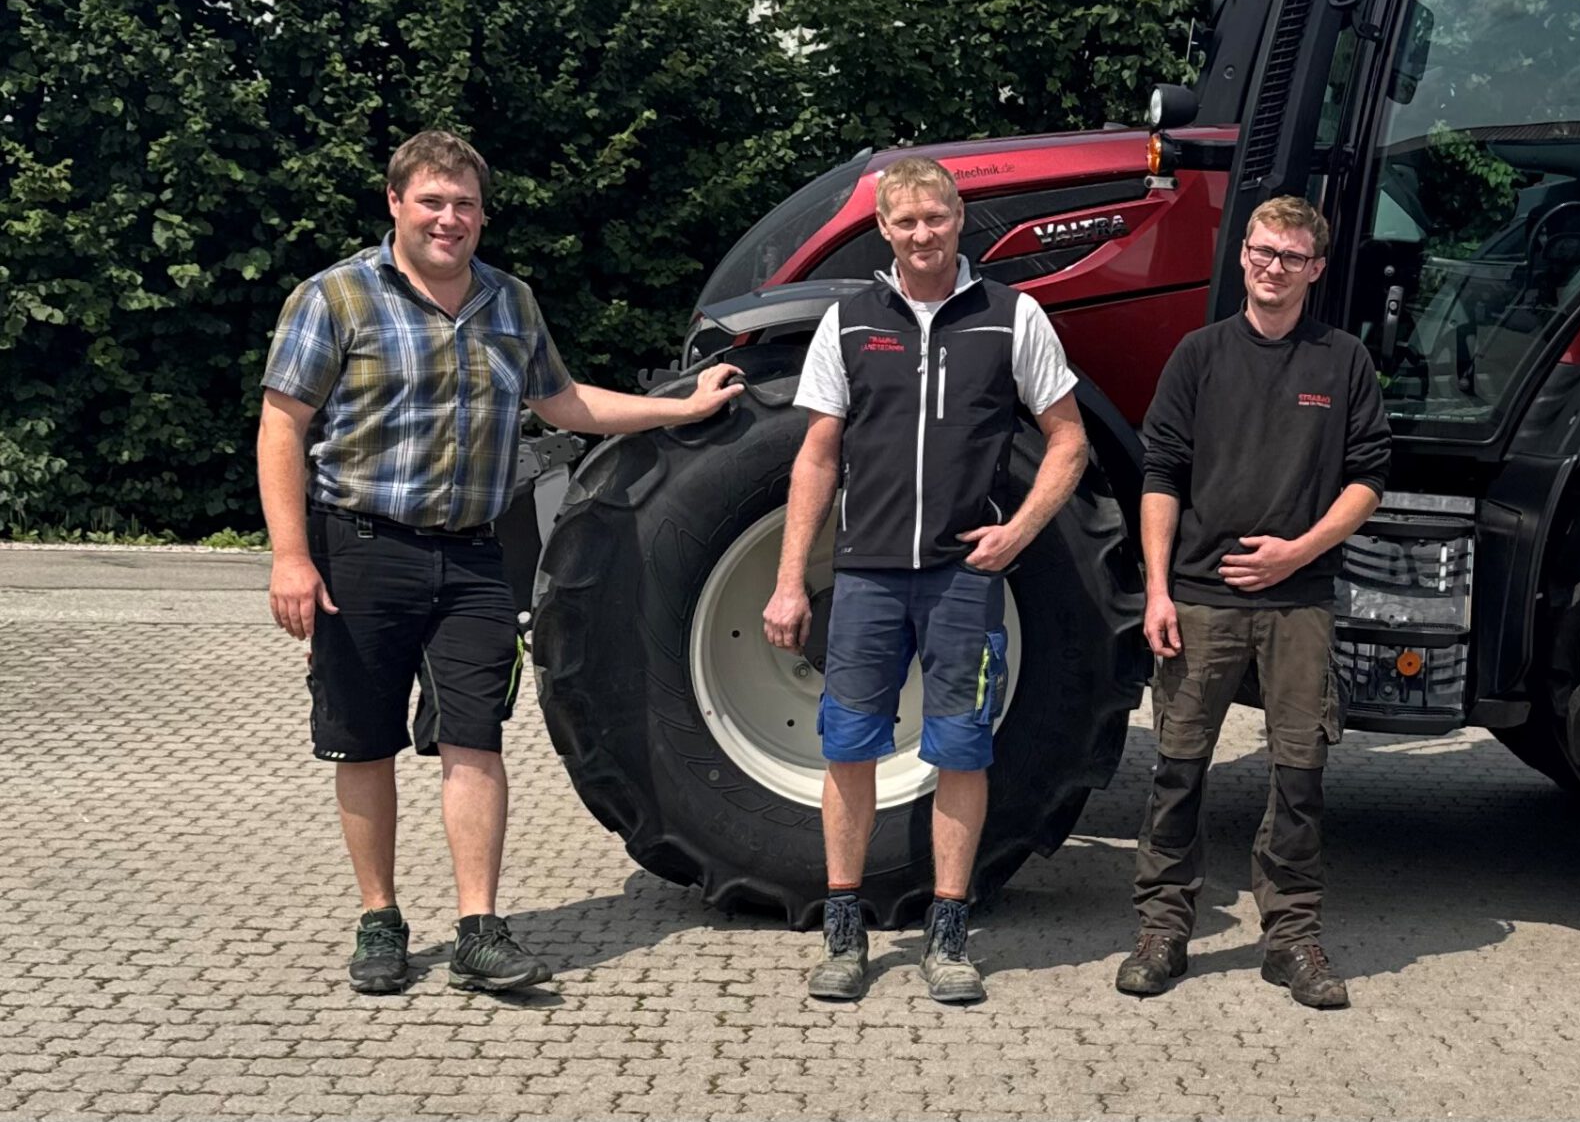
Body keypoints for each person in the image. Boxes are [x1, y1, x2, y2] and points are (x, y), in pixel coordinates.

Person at [259, 130, 743, 997]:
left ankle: (479, 929)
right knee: (362, 740)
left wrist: (678, 410)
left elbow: (566, 401)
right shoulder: (334, 297)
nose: (450, 218)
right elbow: (281, 425)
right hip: (360, 548)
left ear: (482, 213)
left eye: (466, 204)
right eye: (432, 201)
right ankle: (380, 918)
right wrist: (291, 557)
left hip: (476, 556)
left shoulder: (510, 301)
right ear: (395, 202)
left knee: (475, 734)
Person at [762, 154, 1088, 1006]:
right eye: (904, 221)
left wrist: (1020, 529)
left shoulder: (1012, 317)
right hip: (866, 576)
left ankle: (949, 934)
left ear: (958, 217)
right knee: (848, 747)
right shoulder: (849, 320)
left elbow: (1069, 438)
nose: (921, 234)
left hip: (961, 580)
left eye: (934, 217)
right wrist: (790, 579)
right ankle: (844, 933)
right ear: (883, 229)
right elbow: (817, 456)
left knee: (961, 751)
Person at [1116, 195, 1390, 1010]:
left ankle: (1292, 937)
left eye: (1292, 256)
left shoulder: (1343, 361)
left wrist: (1299, 551)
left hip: (1300, 600)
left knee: (1300, 774)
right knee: (1178, 768)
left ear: (1316, 268)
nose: (1275, 266)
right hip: (1200, 597)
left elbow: (1368, 478)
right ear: (1242, 255)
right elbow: (1161, 475)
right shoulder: (1198, 357)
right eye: (1264, 251)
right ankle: (1163, 929)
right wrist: (1157, 590)